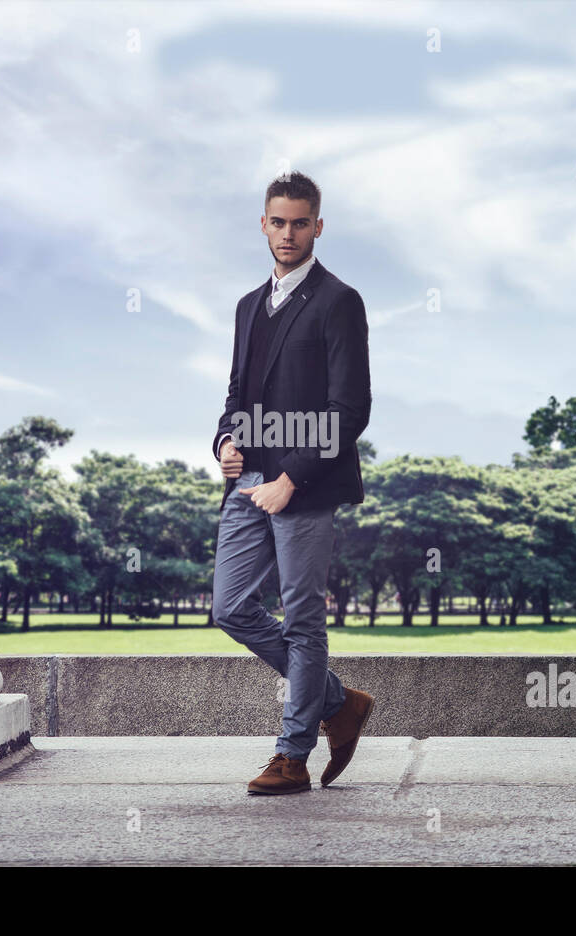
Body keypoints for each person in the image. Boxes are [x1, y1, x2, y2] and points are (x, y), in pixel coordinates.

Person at [210, 171, 375, 795]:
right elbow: (237, 397)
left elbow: (348, 410)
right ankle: (340, 702)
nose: (287, 233)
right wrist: (226, 442)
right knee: (230, 608)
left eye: (299, 223)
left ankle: (292, 755)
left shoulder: (339, 301)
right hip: (247, 480)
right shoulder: (248, 306)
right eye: (277, 222)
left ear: (318, 226)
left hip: (304, 485)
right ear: (263, 223)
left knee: (303, 621)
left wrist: (290, 479)